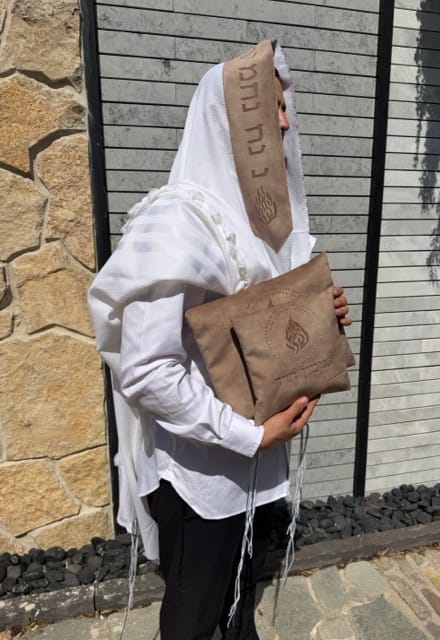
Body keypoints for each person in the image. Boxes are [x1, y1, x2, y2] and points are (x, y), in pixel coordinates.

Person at [88, 39, 351, 640]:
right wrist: (251, 436)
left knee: (238, 607)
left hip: (252, 466)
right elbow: (148, 371)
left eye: (285, 106)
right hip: (200, 476)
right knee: (192, 619)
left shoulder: (255, 223)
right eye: (272, 106)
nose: (285, 121)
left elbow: (259, 326)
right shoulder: (174, 223)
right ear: (230, 116)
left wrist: (321, 315)